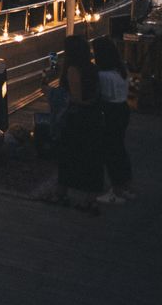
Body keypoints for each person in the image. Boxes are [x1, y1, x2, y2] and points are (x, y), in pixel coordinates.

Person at [48, 35, 104, 215]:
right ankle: (90, 199)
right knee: (91, 158)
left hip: (77, 118)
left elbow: (76, 98)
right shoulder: (93, 68)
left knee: (68, 155)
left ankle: (62, 193)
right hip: (94, 117)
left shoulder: (73, 69)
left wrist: (51, 93)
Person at [93, 36, 134, 204]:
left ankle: (116, 191)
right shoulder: (121, 70)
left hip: (110, 112)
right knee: (119, 148)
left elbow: (98, 96)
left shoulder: (102, 75)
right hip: (123, 110)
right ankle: (125, 186)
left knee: (110, 151)